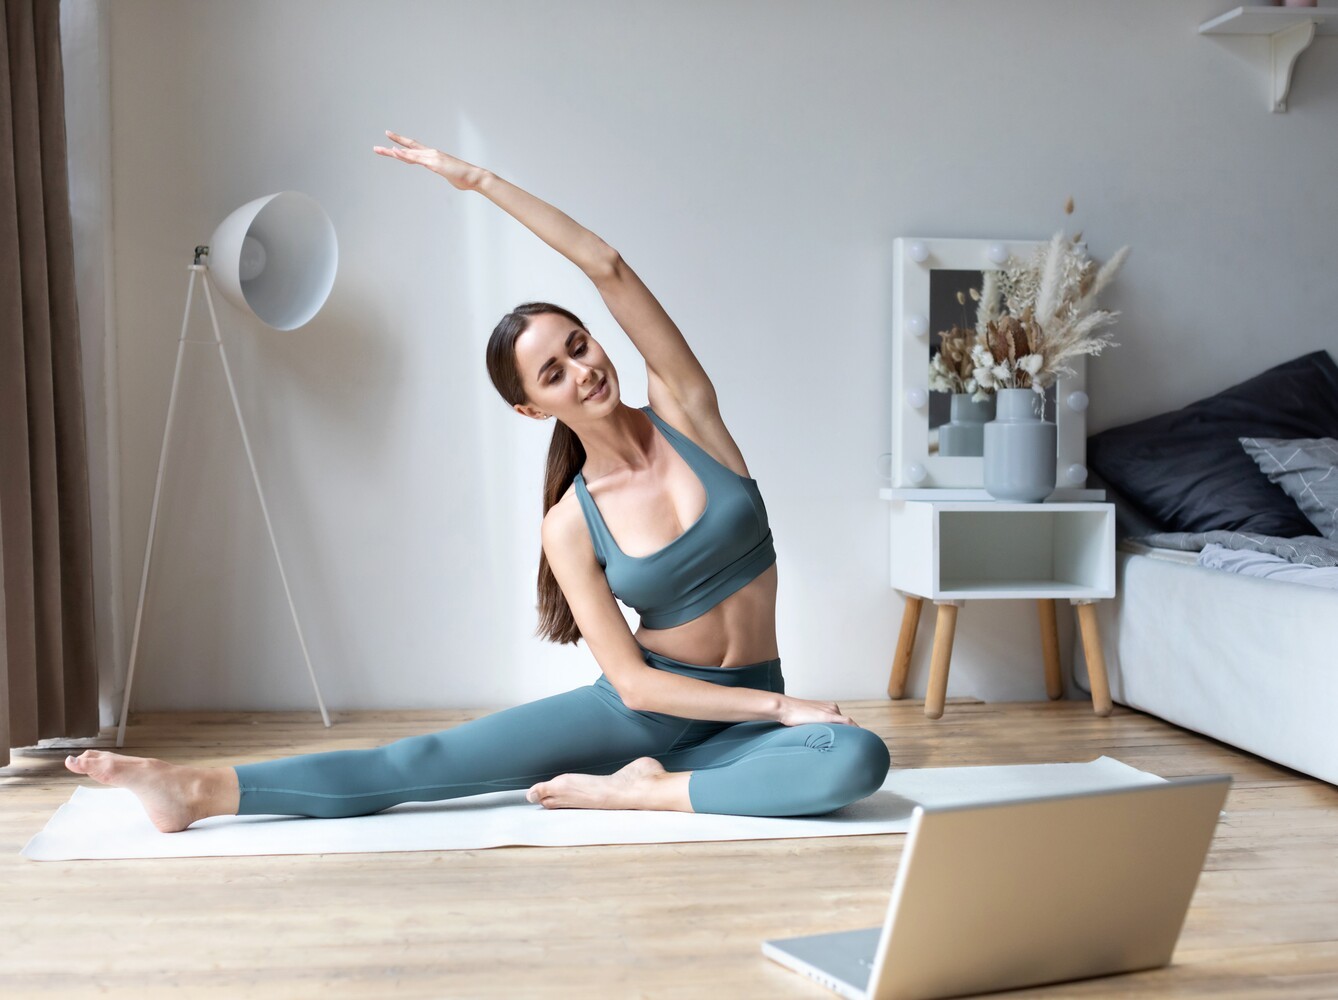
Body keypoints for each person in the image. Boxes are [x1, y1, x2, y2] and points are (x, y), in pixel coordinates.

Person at [65, 131, 890, 833]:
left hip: (741, 716)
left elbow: (606, 263)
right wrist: (787, 711)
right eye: (553, 372)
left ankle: (645, 793)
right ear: (533, 410)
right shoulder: (571, 522)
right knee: (424, 764)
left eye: (578, 345)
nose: (582, 370)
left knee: (857, 757)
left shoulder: (690, 414)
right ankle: (198, 789)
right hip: (647, 707)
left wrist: (479, 179)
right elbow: (634, 680)